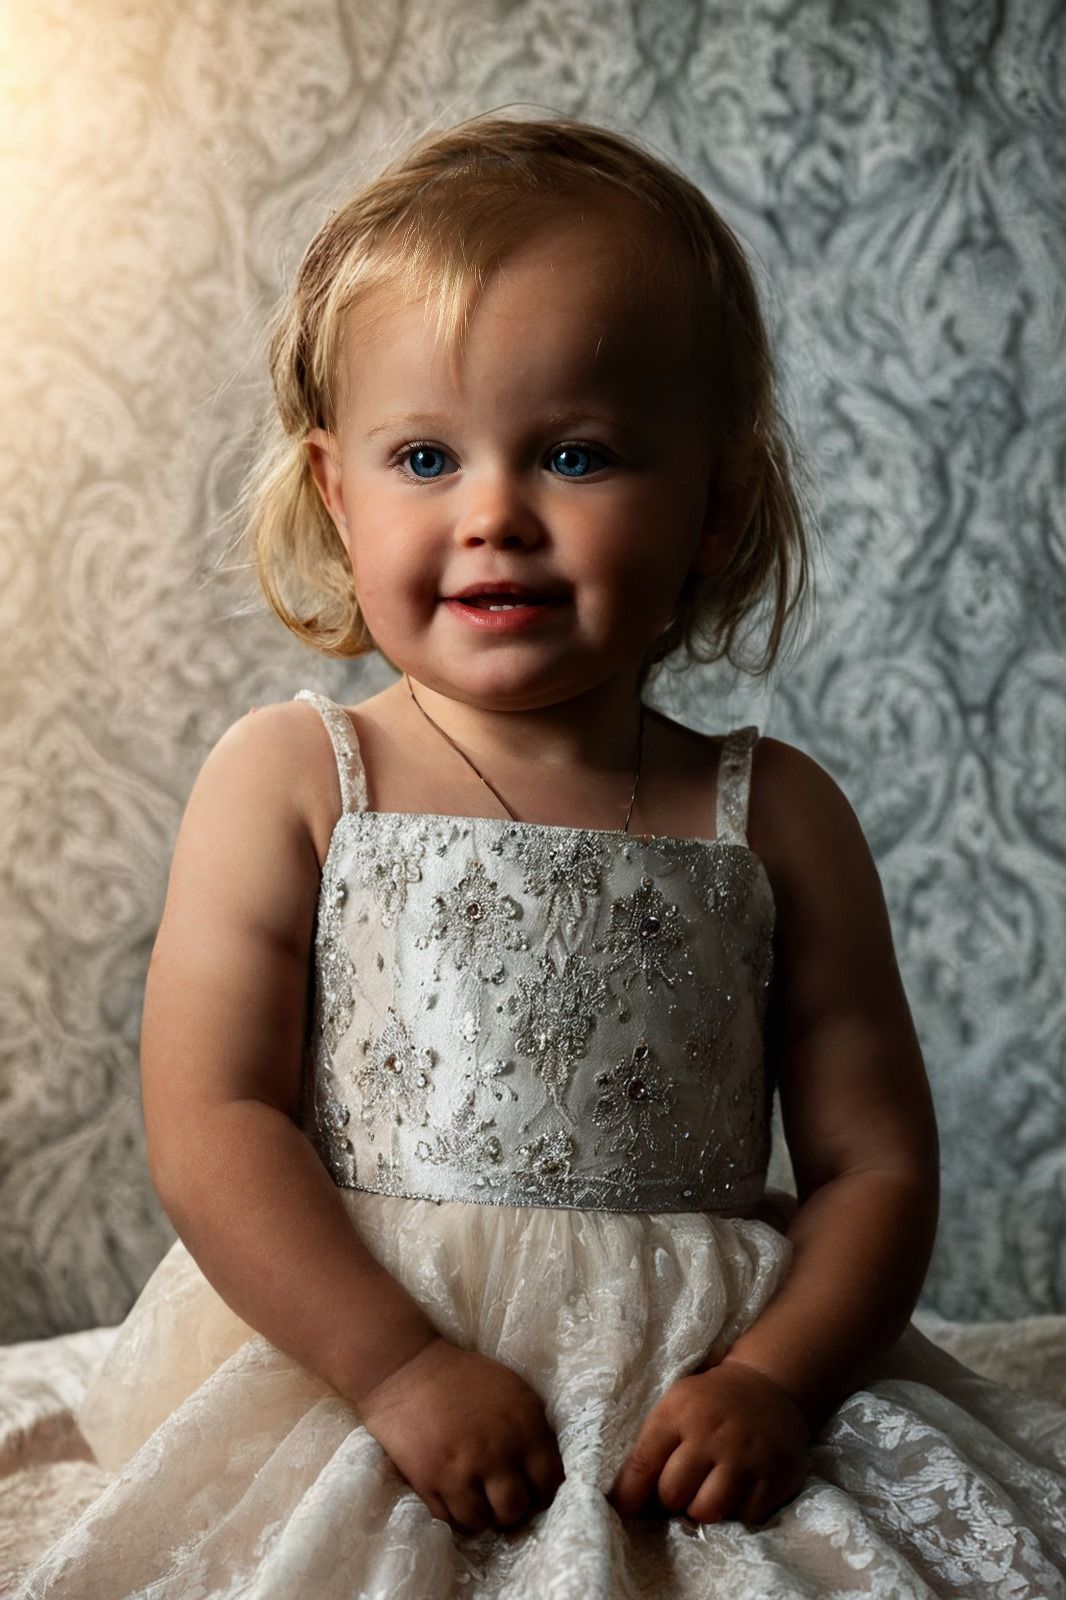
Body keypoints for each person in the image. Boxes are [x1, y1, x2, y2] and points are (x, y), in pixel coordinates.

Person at [17, 110, 1066, 1599]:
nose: (494, 513)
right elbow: (212, 1115)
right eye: (426, 456)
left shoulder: (771, 813)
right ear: (335, 489)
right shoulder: (298, 780)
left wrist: (778, 1380)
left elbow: (873, 1164)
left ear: (712, 505)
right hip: (353, 1360)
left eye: (574, 454)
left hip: (696, 1389)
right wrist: (391, 1369)